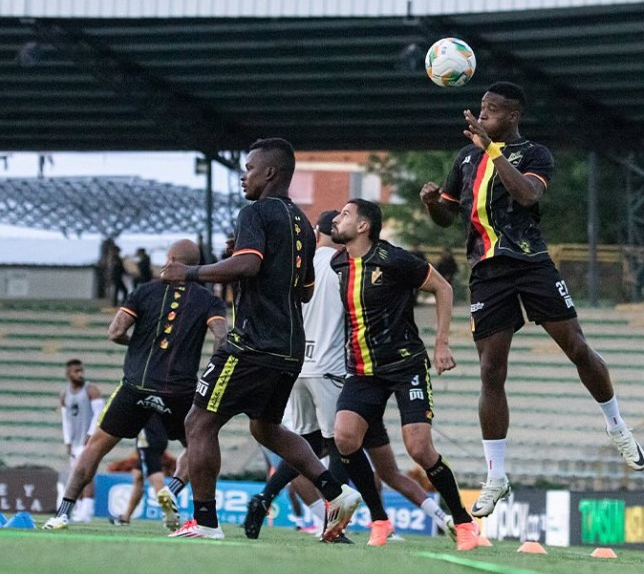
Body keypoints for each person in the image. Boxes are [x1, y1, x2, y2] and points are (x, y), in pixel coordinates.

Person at [419, 80, 644, 519]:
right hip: (486, 271)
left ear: (513, 116)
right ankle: (496, 476)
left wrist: (493, 150)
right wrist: (432, 203)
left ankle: (616, 425)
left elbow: (527, 195)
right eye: (482, 107)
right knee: (490, 369)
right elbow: (448, 217)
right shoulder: (464, 158)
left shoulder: (534, 154)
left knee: (576, 346)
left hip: (530, 261)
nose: (482, 115)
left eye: (493, 109)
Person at [158, 137, 361, 541]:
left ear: (269, 172)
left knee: (198, 423)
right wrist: (238, 263)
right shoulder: (301, 222)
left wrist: (192, 273)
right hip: (289, 348)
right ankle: (335, 493)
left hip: (253, 342)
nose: (243, 176)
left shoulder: (255, 211)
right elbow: (303, 289)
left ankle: (205, 522)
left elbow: (249, 265)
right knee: (265, 429)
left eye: (249, 168)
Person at [44, 239, 229, 531]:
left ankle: (62, 514)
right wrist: (215, 366)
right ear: (196, 266)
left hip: (136, 385)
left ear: (169, 259)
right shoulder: (209, 300)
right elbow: (222, 335)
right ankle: (177, 491)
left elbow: (115, 331)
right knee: (200, 447)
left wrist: (138, 346)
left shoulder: (145, 291)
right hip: (179, 391)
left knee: (94, 449)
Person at [329, 198, 479, 550]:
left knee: (419, 449)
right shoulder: (339, 263)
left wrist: (442, 344)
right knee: (344, 439)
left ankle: (463, 522)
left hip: (406, 364)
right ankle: (380, 519)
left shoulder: (393, 259)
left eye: (345, 215)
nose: (337, 219)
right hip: (362, 370)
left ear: (364, 226)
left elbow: (444, 287)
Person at [242, 209, 352, 541]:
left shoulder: (302, 265)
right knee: (338, 447)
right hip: (329, 366)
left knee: (307, 445)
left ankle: (263, 499)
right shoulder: (344, 266)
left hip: (300, 364)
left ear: (317, 234)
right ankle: (333, 522)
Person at [108, 413, 179, 526]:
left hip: (147, 439)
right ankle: (125, 517)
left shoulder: (141, 398)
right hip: (156, 437)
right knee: (138, 477)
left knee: (155, 477)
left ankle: (170, 515)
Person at [59, 358, 103, 522]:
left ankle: (86, 511)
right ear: (68, 373)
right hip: (75, 442)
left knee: (86, 475)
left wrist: (91, 435)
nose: (80, 374)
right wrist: (68, 441)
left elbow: (100, 414)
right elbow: (66, 420)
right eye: (76, 371)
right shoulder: (65, 395)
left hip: (88, 441)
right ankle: (77, 510)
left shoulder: (91, 390)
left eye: (81, 371)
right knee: (76, 476)